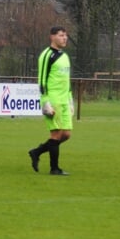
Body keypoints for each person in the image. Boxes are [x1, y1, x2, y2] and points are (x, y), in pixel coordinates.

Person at [29, 25, 73, 175]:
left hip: (64, 99)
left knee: (66, 135)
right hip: (53, 99)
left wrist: (70, 99)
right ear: (52, 37)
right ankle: (54, 168)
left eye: (65, 35)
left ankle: (37, 152)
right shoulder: (47, 55)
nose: (64, 38)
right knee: (56, 134)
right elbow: (42, 81)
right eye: (61, 35)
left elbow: (67, 80)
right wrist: (45, 102)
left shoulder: (65, 56)